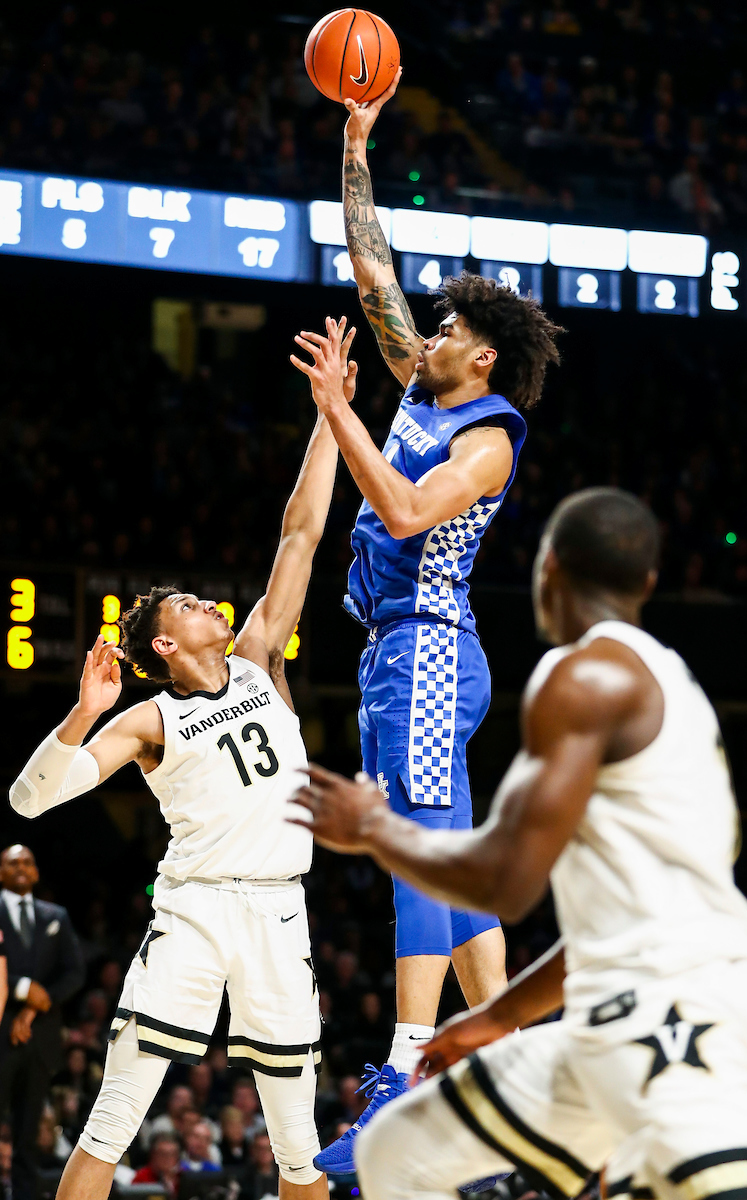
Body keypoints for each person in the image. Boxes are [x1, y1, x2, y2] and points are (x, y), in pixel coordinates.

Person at [292, 486, 747, 1200]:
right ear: (648, 584)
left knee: (732, 1185)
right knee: (400, 1154)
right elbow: (603, 928)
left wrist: (376, 829)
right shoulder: (669, 681)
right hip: (615, 1002)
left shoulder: (583, 676)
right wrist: (494, 1017)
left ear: (546, 568)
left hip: (682, 998)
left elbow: (507, 880)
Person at [8, 318, 358, 1200]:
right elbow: (27, 803)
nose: (212, 603)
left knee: (299, 1151)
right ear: (163, 646)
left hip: (280, 915)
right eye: (193, 606)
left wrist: (330, 415)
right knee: (112, 1120)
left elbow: (301, 535)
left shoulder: (258, 657)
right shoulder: (150, 720)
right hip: (195, 914)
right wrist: (85, 715)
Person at [300, 66, 563, 1178]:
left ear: (482, 355)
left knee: (411, 851)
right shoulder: (420, 380)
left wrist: (333, 414)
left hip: (430, 644)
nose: (433, 330)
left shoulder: (487, 440)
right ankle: (520, 1065)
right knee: (445, 868)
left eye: (450, 326)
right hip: (394, 652)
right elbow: (372, 267)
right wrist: (356, 148)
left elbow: (402, 509)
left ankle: (404, 1071)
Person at [0, 845, 84, 1200]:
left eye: (27, 862)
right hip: (2, 1034)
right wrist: (21, 988)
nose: (21, 867)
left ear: (36, 871)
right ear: (1, 871)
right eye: (13, 862)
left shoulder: (56, 915)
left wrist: (34, 1007)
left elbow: (75, 972)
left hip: (38, 1040)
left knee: (29, 1137)